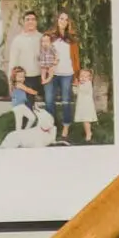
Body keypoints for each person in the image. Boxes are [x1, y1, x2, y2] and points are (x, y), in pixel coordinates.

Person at [43, 10, 78, 143]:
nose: (63, 21)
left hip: (67, 74)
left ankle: (66, 127)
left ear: (69, 22)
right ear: (57, 21)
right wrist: (45, 71)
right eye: (61, 19)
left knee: (66, 101)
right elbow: (44, 54)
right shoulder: (50, 37)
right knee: (49, 101)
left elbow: (76, 59)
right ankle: (51, 127)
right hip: (52, 74)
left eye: (66, 19)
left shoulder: (72, 39)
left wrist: (76, 75)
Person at [73, 60, 97, 144]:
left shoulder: (88, 83)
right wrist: (75, 86)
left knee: (86, 120)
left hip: (87, 106)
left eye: (85, 76)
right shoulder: (81, 83)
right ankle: (88, 132)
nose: (82, 78)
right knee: (84, 120)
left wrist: (79, 85)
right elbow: (76, 92)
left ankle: (88, 134)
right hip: (81, 105)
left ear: (89, 78)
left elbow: (85, 91)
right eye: (81, 76)